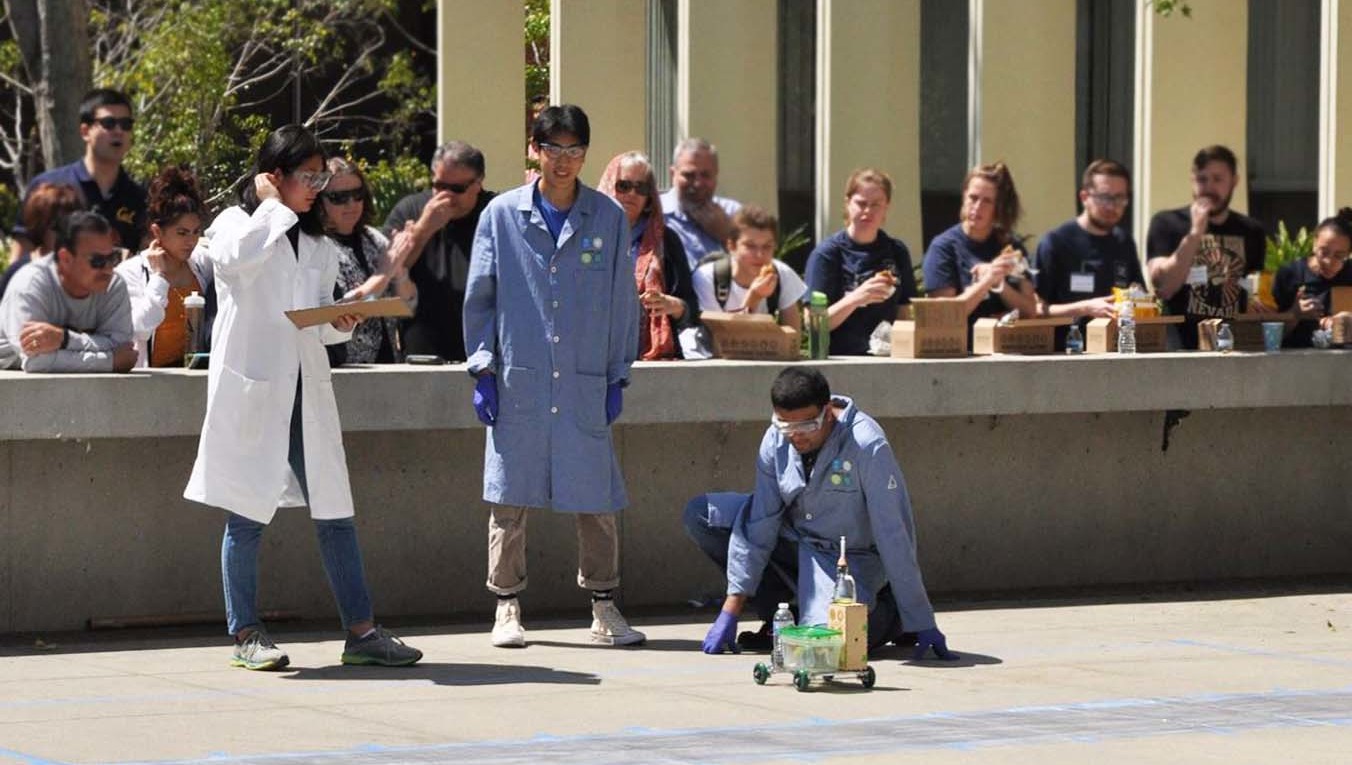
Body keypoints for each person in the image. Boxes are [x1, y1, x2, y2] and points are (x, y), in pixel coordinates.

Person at [183, 125, 421, 671]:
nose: (317, 189)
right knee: (247, 512)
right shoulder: (235, 223)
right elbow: (234, 264)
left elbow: (313, 318)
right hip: (255, 389)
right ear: (274, 176)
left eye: (320, 179)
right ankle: (246, 633)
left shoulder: (317, 243)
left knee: (336, 512)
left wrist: (340, 320)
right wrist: (270, 206)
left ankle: (361, 632)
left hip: (304, 391)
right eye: (308, 178)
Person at [463, 104, 644, 649]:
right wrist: (482, 367)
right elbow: (481, 295)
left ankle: (604, 605)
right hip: (519, 378)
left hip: (584, 378)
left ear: (585, 155)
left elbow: (623, 302)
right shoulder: (501, 214)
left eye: (574, 150)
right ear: (534, 151)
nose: (563, 161)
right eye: (553, 149)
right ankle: (506, 605)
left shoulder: (607, 217)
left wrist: (616, 374)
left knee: (596, 497)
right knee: (509, 496)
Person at [685, 366, 955, 661]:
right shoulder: (775, 438)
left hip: (846, 559)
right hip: (794, 539)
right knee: (704, 515)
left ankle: (890, 616)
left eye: (806, 426)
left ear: (828, 412)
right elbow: (761, 521)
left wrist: (919, 616)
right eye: (786, 426)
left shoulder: (866, 445)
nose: (795, 437)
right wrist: (731, 610)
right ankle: (782, 615)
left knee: (835, 646)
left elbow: (893, 532)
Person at [1146, 145, 1268, 349]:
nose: (1209, 188)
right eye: (1202, 179)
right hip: (1181, 347)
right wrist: (1195, 234)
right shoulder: (1167, 223)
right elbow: (1164, 287)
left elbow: (1253, 287)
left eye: (1217, 179)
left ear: (1234, 181)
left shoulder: (1251, 231)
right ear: (1192, 180)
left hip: (1234, 346)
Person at [382, 141, 493, 362]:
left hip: (484, 348)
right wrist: (423, 230)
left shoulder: (495, 213)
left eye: (457, 189)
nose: (446, 196)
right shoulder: (410, 210)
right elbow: (385, 274)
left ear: (478, 183)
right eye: (439, 185)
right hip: (423, 351)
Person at [0, 211, 135, 373]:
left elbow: (122, 346)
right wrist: (109, 361)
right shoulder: (29, 284)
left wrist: (64, 339)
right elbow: (35, 361)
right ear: (66, 259)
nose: (108, 269)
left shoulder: (113, 284)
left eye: (113, 257)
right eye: (98, 261)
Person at [804, 168, 918, 355]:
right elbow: (813, 324)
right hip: (841, 358)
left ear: (886, 207)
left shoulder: (897, 251)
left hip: (887, 358)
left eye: (876, 205)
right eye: (861, 203)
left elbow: (904, 311)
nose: (868, 211)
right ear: (848, 203)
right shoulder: (827, 254)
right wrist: (856, 298)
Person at [1034, 159, 1145, 350]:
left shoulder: (1124, 242)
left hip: (1116, 352)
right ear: (1084, 197)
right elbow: (1037, 310)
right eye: (1104, 197)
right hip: (1066, 354)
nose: (1112, 206)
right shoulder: (1056, 242)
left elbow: (1139, 294)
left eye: (1119, 198)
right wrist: (1086, 308)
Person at [597, 150, 698, 360]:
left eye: (641, 188)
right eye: (623, 185)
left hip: (653, 362)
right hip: (596, 357)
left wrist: (674, 306)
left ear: (649, 197)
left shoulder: (666, 240)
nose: (632, 194)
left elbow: (692, 309)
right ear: (609, 187)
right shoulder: (587, 237)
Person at [16, 89, 146, 251]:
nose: (119, 131)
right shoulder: (48, 187)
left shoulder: (140, 198)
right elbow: (20, 256)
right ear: (85, 131)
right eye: (109, 123)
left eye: (126, 124)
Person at [320, 157, 418, 363]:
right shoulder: (318, 247)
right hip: (346, 367)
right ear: (320, 200)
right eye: (339, 197)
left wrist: (399, 271)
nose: (351, 204)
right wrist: (384, 272)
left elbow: (409, 305)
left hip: (387, 366)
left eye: (358, 194)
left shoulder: (373, 238)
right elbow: (346, 310)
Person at [114, 165, 213, 368]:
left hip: (196, 376)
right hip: (152, 380)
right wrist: (159, 278)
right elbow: (139, 328)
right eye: (182, 233)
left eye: (196, 232)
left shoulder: (202, 263)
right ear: (157, 232)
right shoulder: (130, 273)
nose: (191, 241)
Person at [921, 162, 1037, 323]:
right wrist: (987, 280)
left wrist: (1000, 285)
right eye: (973, 198)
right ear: (964, 196)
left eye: (987, 201)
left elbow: (1030, 311)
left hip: (1003, 338)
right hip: (965, 339)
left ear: (998, 206)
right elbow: (944, 316)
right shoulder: (943, 247)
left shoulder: (1011, 247)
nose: (977, 207)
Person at [692, 206, 806, 332]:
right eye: (750, 246)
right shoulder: (708, 278)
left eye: (767, 246)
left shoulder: (781, 274)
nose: (760, 255)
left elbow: (793, 336)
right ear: (731, 246)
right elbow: (721, 337)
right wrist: (753, 298)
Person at [1272, 208, 1352, 347]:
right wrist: (1295, 314)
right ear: (1314, 244)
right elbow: (1269, 335)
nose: (1329, 261)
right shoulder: (1290, 274)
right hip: (1296, 356)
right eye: (1324, 252)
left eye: (1339, 256)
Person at [661, 138, 743, 270]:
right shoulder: (655, 213)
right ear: (673, 174)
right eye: (689, 175)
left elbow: (756, 265)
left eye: (705, 175)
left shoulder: (733, 212)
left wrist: (727, 234)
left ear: (716, 175)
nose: (698, 183)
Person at [0, 184, 84, 301]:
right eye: (57, 225)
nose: (66, 232)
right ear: (41, 226)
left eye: (72, 224)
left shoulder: (88, 268)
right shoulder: (20, 271)